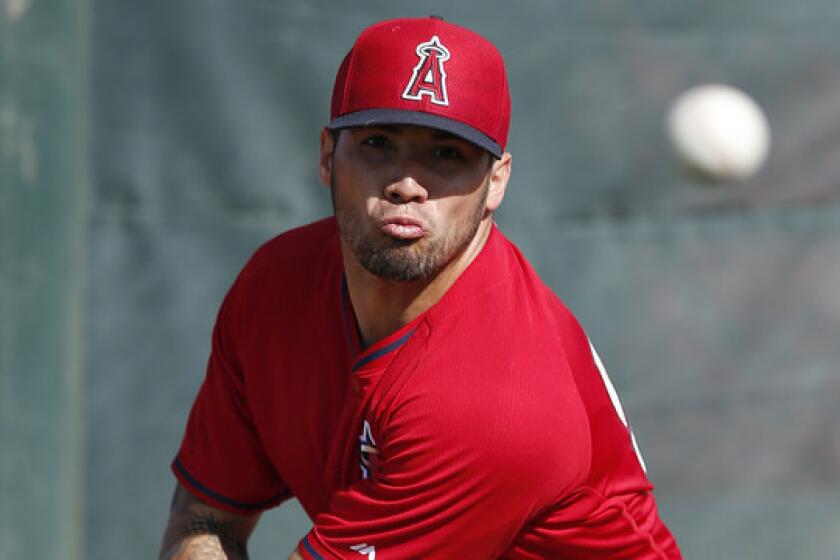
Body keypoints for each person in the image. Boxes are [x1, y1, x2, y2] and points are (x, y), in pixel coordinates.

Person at [159, 16, 682, 560]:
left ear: (497, 180)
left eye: (446, 154)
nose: (408, 184)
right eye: (379, 142)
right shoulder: (275, 292)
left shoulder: (495, 398)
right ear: (326, 155)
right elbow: (203, 517)